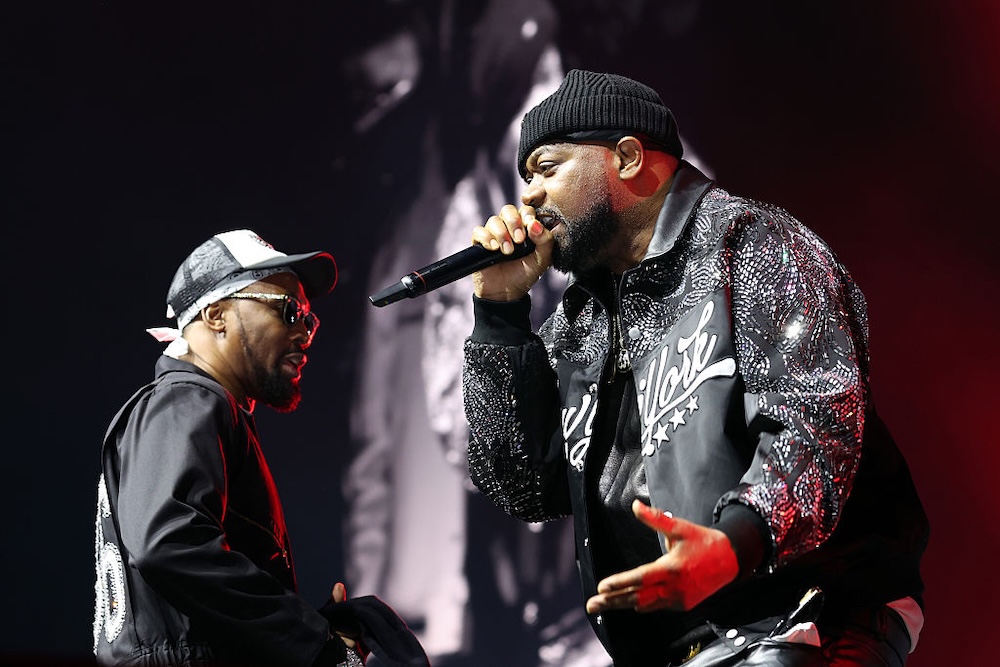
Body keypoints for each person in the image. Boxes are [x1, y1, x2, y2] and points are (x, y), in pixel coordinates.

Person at [461, 69, 929, 666]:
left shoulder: (751, 246)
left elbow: (818, 426)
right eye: (525, 178)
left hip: (806, 612)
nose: (527, 196)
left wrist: (733, 544)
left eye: (547, 168)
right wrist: (499, 315)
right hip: (683, 648)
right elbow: (523, 485)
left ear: (627, 158)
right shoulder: (582, 322)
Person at [93, 229, 428, 667]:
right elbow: (168, 543)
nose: (305, 334)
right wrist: (313, 642)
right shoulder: (190, 398)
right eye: (288, 311)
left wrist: (308, 626)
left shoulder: (196, 407)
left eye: (309, 319)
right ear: (216, 316)